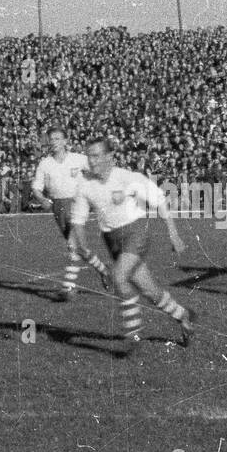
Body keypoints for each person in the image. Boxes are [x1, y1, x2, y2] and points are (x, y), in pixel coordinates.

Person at [69, 137, 196, 353]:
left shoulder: (127, 178)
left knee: (119, 277)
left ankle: (132, 335)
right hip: (111, 240)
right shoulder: (85, 185)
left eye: (97, 155)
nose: (92, 161)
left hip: (136, 232)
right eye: (89, 156)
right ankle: (183, 316)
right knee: (149, 290)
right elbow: (78, 219)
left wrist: (173, 235)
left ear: (110, 156)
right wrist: (82, 245)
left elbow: (159, 201)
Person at [31, 127, 110, 300]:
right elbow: (36, 187)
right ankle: (104, 271)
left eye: (58, 138)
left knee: (72, 246)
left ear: (66, 141)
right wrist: (41, 198)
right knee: (79, 248)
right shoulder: (45, 163)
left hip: (77, 203)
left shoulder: (78, 158)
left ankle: (68, 289)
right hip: (58, 206)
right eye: (52, 139)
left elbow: (100, 168)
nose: (54, 142)